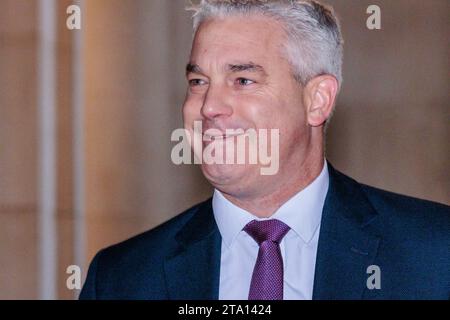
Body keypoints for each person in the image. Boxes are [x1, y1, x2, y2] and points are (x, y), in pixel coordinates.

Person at [80, 0, 450, 300]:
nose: (209, 106)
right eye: (198, 81)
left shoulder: (434, 254)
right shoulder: (121, 279)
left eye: (242, 80)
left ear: (317, 100)